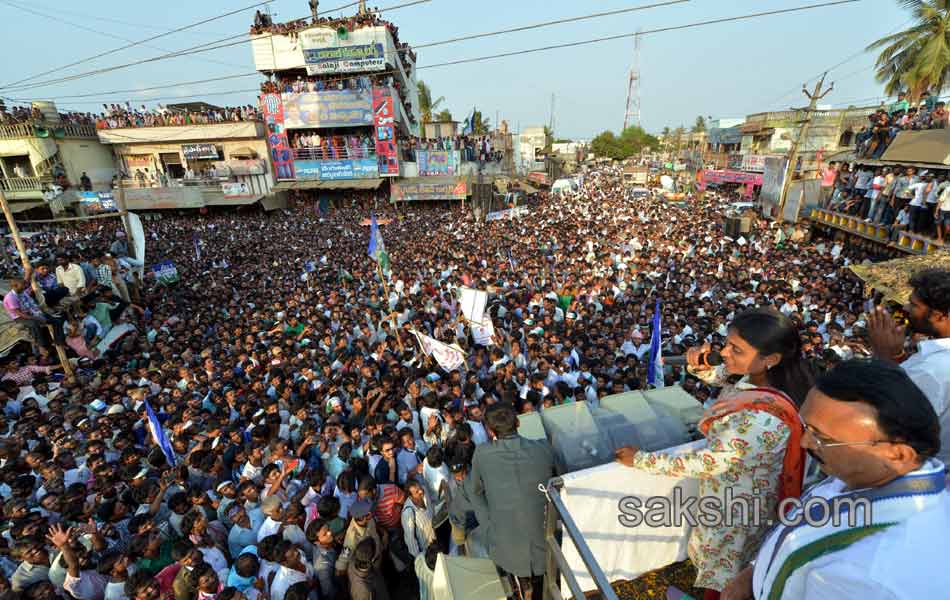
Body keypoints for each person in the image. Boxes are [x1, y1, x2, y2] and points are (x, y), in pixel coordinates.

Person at [616, 308, 810, 600]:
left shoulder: (762, 419)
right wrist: (696, 364)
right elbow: (721, 374)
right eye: (727, 344)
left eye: (736, 349)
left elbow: (707, 461)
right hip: (733, 498)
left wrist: (641, 460)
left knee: (728, 578)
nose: (725, 353)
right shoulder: (759, 379)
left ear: (770, 359)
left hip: (737, 511)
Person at [721, 359, 949, 600]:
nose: (805, 443)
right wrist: (755, 571)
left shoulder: (870, 576)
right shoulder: (864, 473)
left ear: (898, 454)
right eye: (806, 427)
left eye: (822, 438)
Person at [469, 403, 554, 600]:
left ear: (490, 431)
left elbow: (475, 492)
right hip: (543, 535)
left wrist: (489, 524)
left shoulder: (482, 454)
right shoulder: (543, 447)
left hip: (506, 541)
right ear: (517, 422)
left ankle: (526, 589)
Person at [867, 268, 950, 466]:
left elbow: (884, 418)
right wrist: (898, 357)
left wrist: (883, 357)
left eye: (914, 304)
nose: (906, 307)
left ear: (939, 316)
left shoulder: (930, 369)